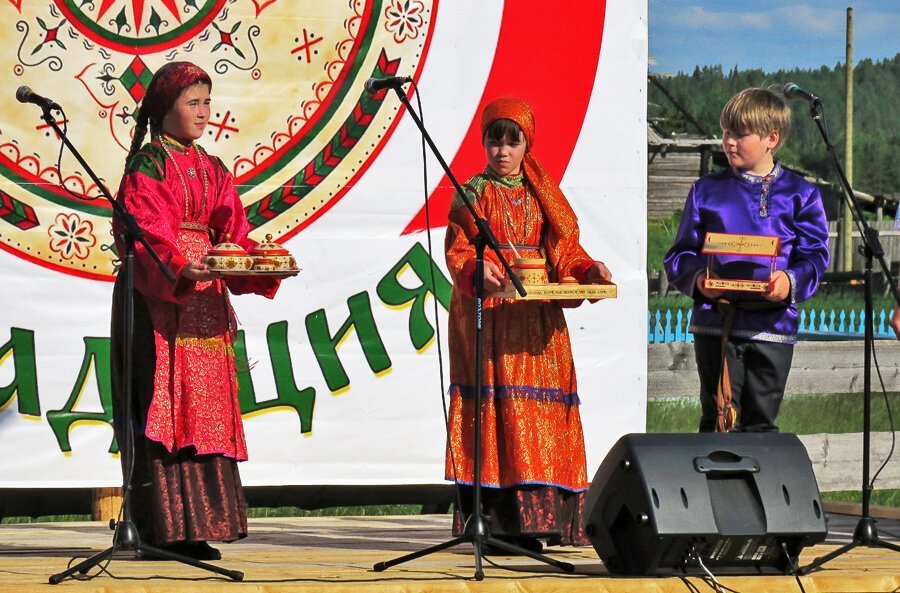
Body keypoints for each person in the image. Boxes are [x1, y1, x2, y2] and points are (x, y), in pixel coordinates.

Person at [110, 61, 280, 560]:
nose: (205, 112)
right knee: (165, 404)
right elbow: (144, 235)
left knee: (204, 406)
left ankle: (201, 527)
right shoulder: (149, 165)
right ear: (166, 108)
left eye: (208, 102)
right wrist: (181, 267)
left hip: (205, 300)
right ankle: (163, 530)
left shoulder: (212, 167)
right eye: (193, 103)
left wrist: (255, 258)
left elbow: (233, 234)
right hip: (158, 297)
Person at [443, 97, 611, 551]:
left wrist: (588, 271)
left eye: (512, 141)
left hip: (538, 326)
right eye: (493, 140)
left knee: (538, 416)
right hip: (493, 323)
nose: (502, 150)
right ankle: (497, 528)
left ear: (526, 144)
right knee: (496, 416)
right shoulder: (473, 193)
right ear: (483, 143)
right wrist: (478, 272)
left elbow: (566, 253)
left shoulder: (544, 194)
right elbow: (458, 251)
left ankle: (544, 523)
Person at [664, 87, 830, 433]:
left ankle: (759, 487)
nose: (729, 142)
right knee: (717, 422)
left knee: (760, 425)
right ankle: (713, 487)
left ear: (772, 138)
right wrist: (698, 281)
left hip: (773, 326)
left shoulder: (801, 194)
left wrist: (788, 281)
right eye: (726, 132)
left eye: (740, 134)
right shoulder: (706, 191)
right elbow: (680, 254)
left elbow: (814, 255)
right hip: (716, 323)